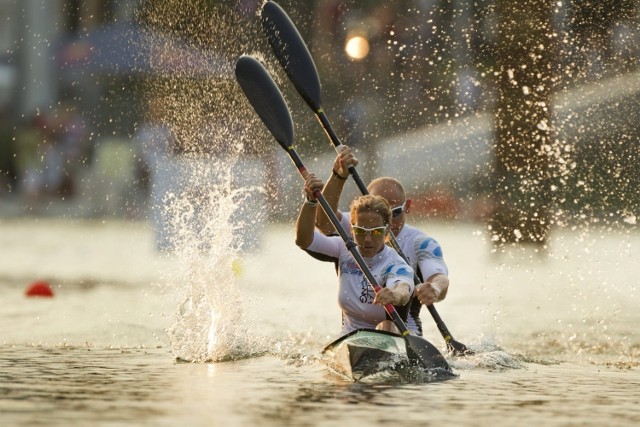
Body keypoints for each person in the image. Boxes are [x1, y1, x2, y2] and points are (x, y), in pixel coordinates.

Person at [316, 146, 449, 336]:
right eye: (380, 213)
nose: (388, 220)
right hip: (353, 335)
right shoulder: (355, 227)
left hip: (403, 334)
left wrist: (434, 288)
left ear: (408, 206)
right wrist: (338, 176)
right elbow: (322, 222)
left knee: (386, 326)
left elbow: (439, 278)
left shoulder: (421, 243)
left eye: (395, 212)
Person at [295, 173, 415, 335]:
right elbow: (304, 240)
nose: (367, 239)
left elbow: (403, 289)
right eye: (360, 231)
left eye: (376, 232)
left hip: (388, 338)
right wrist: (310, 202)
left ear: (387, 230)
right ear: (351, 228)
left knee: (385, 324)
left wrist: (394, 294)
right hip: (349, 340)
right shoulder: (344, 248)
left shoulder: (395, 264)